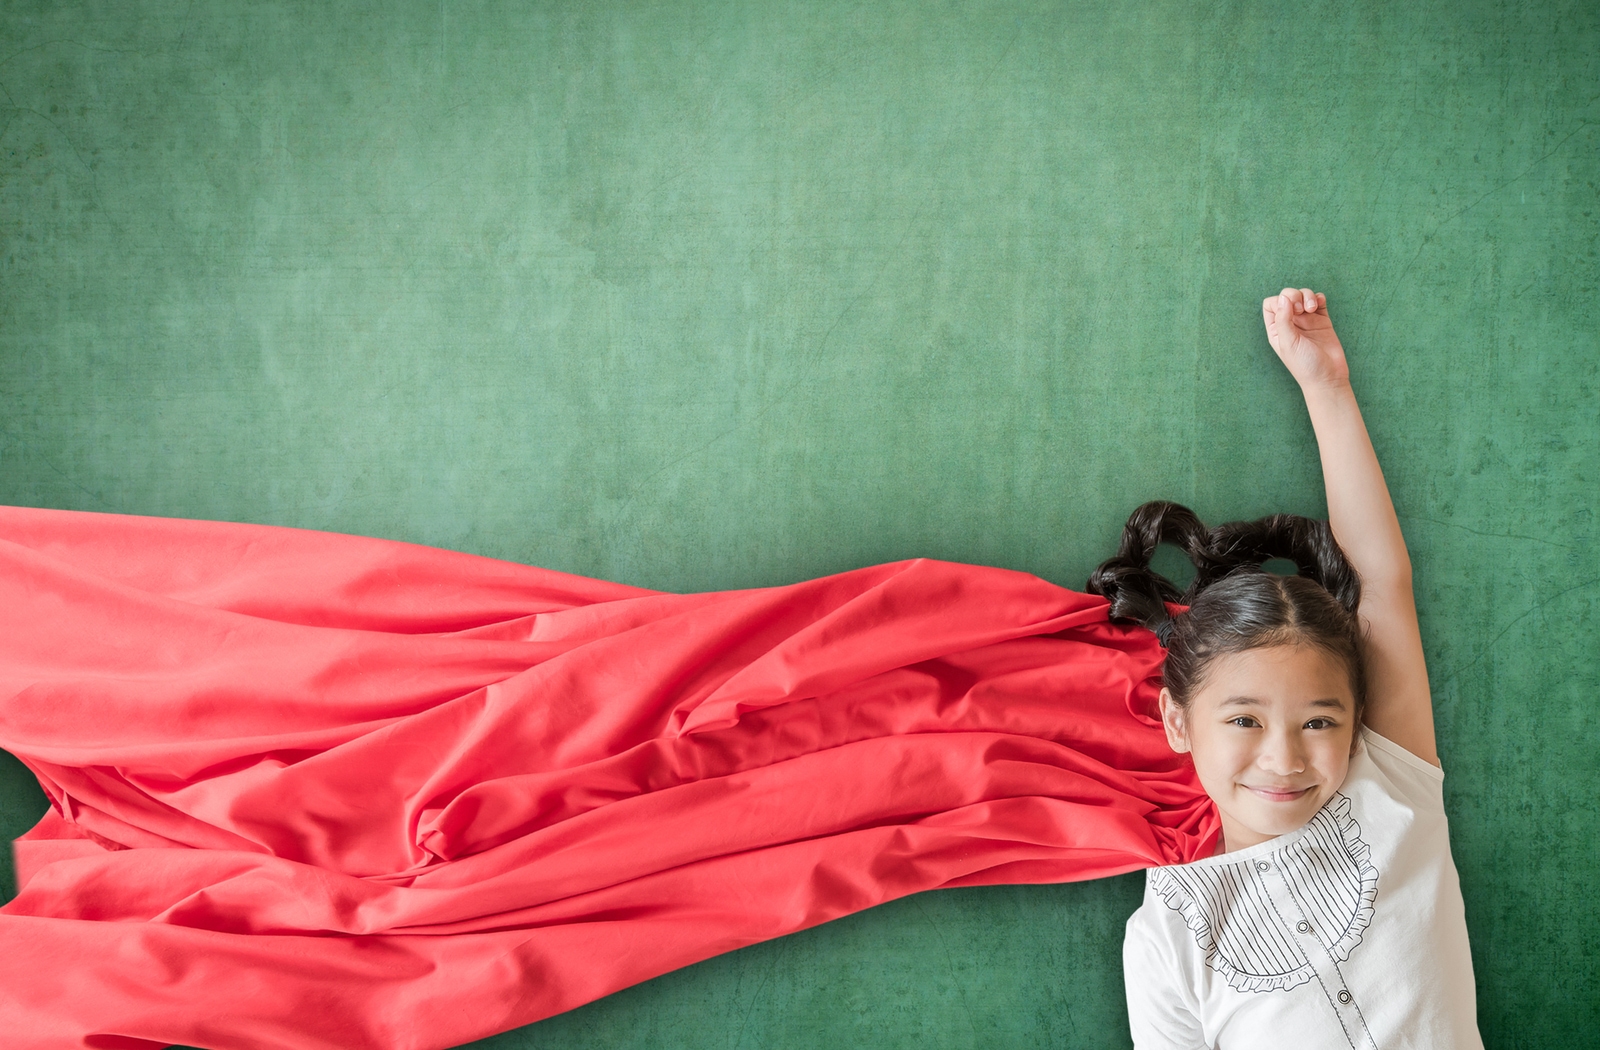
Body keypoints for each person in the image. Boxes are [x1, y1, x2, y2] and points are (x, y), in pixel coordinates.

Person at [1099, 288, 1483, 1048]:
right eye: (1243, 719)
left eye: (1319, 721)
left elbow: (1379, 580)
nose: (1284, 757)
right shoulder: (1167, 935)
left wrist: (1326, 385)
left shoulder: (1394, 788)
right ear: (1178, 722)